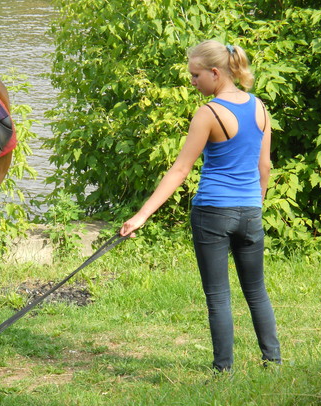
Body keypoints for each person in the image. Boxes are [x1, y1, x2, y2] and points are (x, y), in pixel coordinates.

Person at [120, 40, 281, 373]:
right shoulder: (260, 107)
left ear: (215, 72)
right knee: (256, 291)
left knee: (218, 296)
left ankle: (223, 371)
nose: (192, 82)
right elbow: (264, 166)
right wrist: (256, 203)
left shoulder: (208, 113)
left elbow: (180, 170)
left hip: (213, 213)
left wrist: (141, 215)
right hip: (250, 210)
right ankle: (273, 362)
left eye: (195, 75)